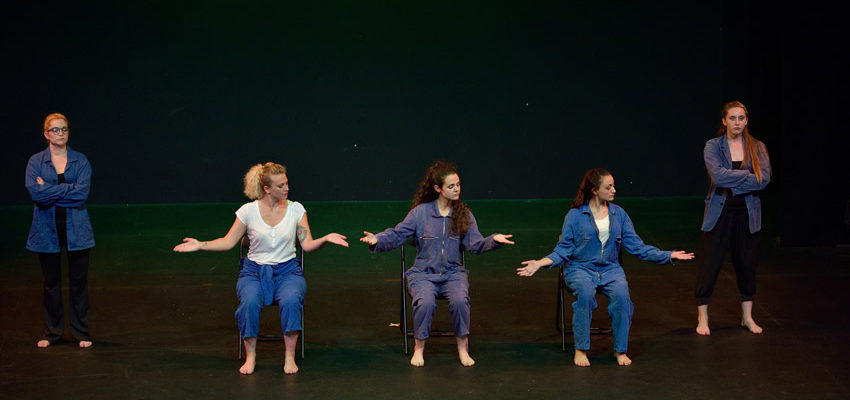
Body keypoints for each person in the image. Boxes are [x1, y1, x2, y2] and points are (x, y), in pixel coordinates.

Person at [173, 162, 348, 375]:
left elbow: (308, 245)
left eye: (287, 183)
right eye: (281, 185)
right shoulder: (248, 211)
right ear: (267, 188)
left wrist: (325, 239)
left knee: (291, 300)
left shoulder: (296, 210)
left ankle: (289, 356)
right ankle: (251, 355)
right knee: (249, 302)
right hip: (254, 272)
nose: (287, 188)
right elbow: (228, 242)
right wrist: (201, 244)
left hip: (288, 271)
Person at [516, 168, 694, 366]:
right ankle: (581, 349)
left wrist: (668, 255)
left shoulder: (619, 214)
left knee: (623, 298)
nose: (614, 190)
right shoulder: (575, 215)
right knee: (585, 295)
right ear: (594, 190)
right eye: (608, 187)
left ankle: (620, 350)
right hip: (580, 268)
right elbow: (563, 250)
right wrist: (539, 263)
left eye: (613, 186)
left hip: (610, 269)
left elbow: (637, 247)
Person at [360, 160, 514, 367]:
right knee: (425, 303)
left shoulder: (463, 214)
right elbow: (398, 234)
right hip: (423, 274)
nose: (456, 189)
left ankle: (463, 348)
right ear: (438, 189)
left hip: (453, 273)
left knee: (460, 301)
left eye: (458, 185)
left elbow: (476, 244)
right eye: (451, 186)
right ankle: (419, 348)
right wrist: (377, 239)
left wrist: (494, 240)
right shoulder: (420, 213)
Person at [696, 100, 771, 336]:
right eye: (732, 118)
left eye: (741, 118)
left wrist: (734, 180)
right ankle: (702, 318)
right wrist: (747, 176)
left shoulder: (757, 147)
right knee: (710, 264)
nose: (737, 122)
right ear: (724, 120)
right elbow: (718, 177)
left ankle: (747, 317)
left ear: (746, 121)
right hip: (720, 212)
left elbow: (764, 179)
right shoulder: (713, 146)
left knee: (746, 265)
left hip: (747, 213)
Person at [25, 113, 95, 349]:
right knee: (51, 284)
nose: (61, 133)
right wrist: (66, 189)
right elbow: (36, 195)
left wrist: (49, 189)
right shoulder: (36, 161)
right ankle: (52, 332)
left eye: (64, 129)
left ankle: (81, 332)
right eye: (55, 130)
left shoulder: (80, 160)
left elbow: (81, 195)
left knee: (78, 283)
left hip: (77, 229)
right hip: (46, 230)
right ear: (46, 134)